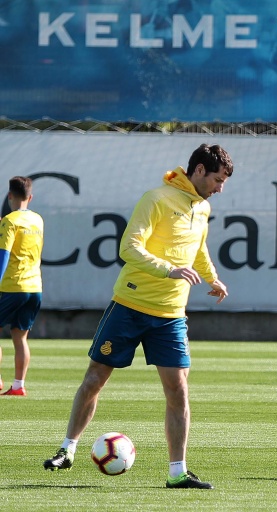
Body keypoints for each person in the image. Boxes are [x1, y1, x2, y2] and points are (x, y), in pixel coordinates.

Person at [43, 144, 234, 489]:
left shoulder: (202, 207)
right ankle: (67, 449)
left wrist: (213, 278)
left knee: (178, 390)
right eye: (218, 180)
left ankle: (177, 472)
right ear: (199, 171)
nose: (221, 188)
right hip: (130, 305)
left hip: (171, 315)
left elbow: (198, 247)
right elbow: (128, 247)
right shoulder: (156, 198)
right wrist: (168, 269)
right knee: (94, 379)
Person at [0, 176, 44, 397]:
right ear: (30, 197)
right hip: (34, 286)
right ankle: (18, 385)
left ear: (10, 195)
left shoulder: (9, 221)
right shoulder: (37, 220)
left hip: (13, 286)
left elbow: (4, 255)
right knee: (20, 337)